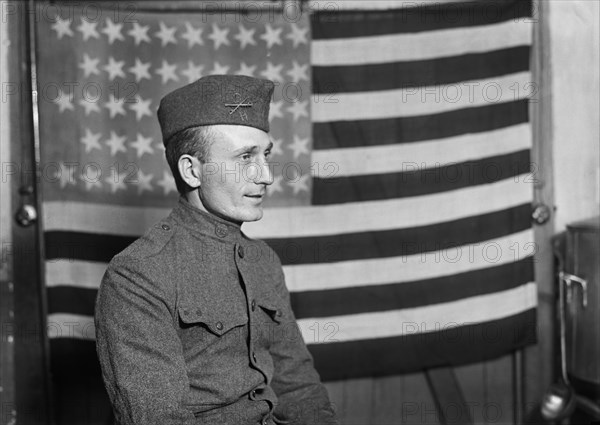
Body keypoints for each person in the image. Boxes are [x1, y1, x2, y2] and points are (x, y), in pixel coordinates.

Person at [94, 75, 338, 425]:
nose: (266, 175)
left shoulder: (263, 260)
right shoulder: (137, 275)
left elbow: (297, 384)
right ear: (192, 170)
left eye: (265, 155)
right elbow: (158, 419)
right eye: (245, 158)